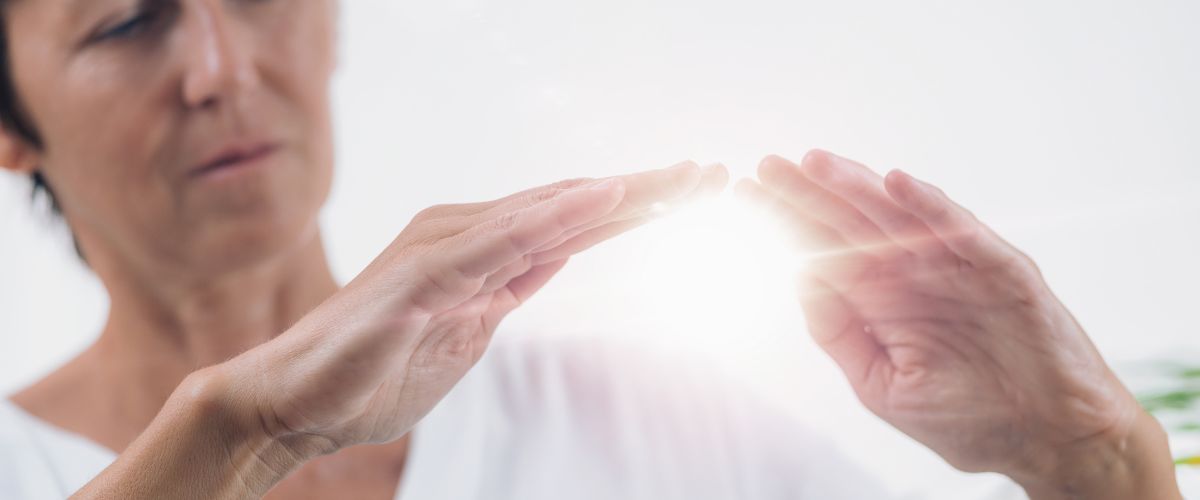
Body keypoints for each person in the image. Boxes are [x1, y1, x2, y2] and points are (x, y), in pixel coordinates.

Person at [0, 1, 1182, 499]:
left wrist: (1096, 459)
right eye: (124, 22)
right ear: (12, 128)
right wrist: (241, 431)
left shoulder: (655, 421)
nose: (219, 70)